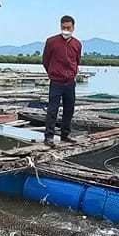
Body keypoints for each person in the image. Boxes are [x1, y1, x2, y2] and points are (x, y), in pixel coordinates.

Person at [41, 15, 82, 146]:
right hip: (56, 81)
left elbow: (77, 61)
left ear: (73, 28)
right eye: (63, 27)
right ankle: (49, 136)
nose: (66, 30)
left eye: (68, 28)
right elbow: (45, 60)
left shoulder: (77, 44)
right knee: (53, 109)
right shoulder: (51, 42)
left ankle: (65, 134)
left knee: (69, 109)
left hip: (70, 81)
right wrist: (53, 73)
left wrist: (72, 74)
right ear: (60, 27)